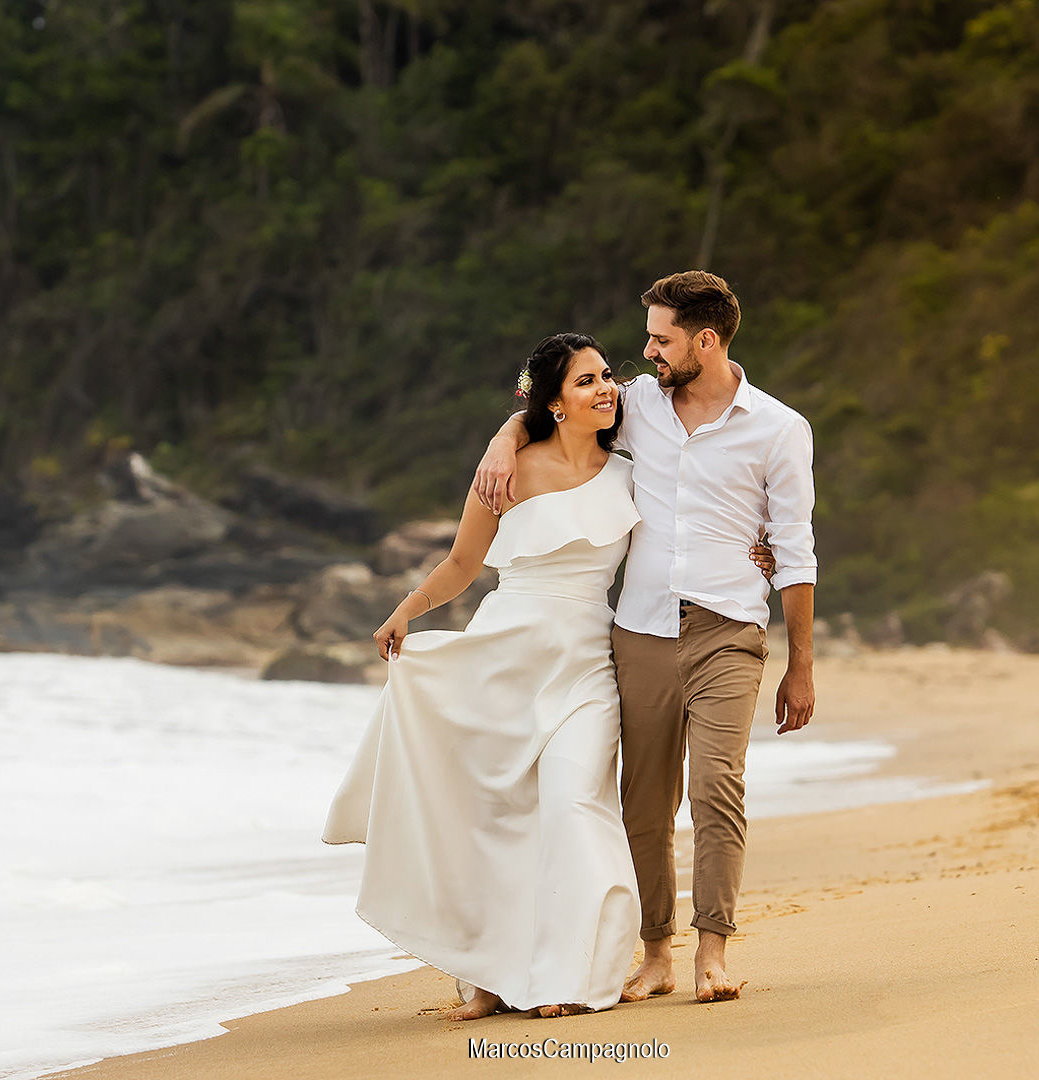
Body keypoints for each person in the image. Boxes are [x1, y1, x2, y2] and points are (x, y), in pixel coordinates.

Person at [323, 332, 778, 1020]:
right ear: (555, 404)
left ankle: (572, 974)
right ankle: (488, 977)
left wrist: (759, 544)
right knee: (495, 817)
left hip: (589, 665)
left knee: (573, 806)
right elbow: (460, 565)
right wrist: (405, 612)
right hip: (504, 655)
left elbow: (699, 502)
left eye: (606, 377)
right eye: (586, 381)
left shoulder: (632, 465)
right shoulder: (505, 473)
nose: (607, 389)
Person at [473, 270, 817, 1004]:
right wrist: (504, 440)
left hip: (729, 628)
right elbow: (550, 406)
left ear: (705, 340)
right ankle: (657, 952)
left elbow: (794, 547)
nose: (647, 352)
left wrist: (802, 666)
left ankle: (713, 953)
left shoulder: (780, 428)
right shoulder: (637, 408)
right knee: (644, 800)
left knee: (716, 786)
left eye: (660, 339)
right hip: (640, 632)